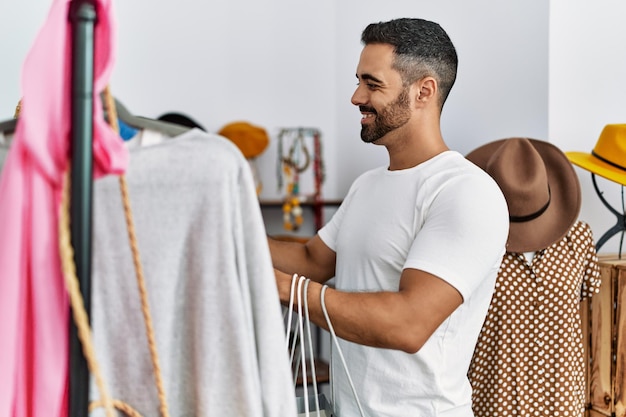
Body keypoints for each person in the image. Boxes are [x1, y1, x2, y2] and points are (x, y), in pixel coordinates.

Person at [268, 18, 509, 417]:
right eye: (358, 81)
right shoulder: (367, 185)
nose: (356, 96)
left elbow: (408, 324)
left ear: (424, 91)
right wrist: (228, 232)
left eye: (372, 83)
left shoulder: (466, 192)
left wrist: (284, 288)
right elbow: (312, 262)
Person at [466, 138, 601, 417]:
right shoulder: (474, 243)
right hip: (493, 397)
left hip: (561, 398)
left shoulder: (579, 239)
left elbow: (585, 313)